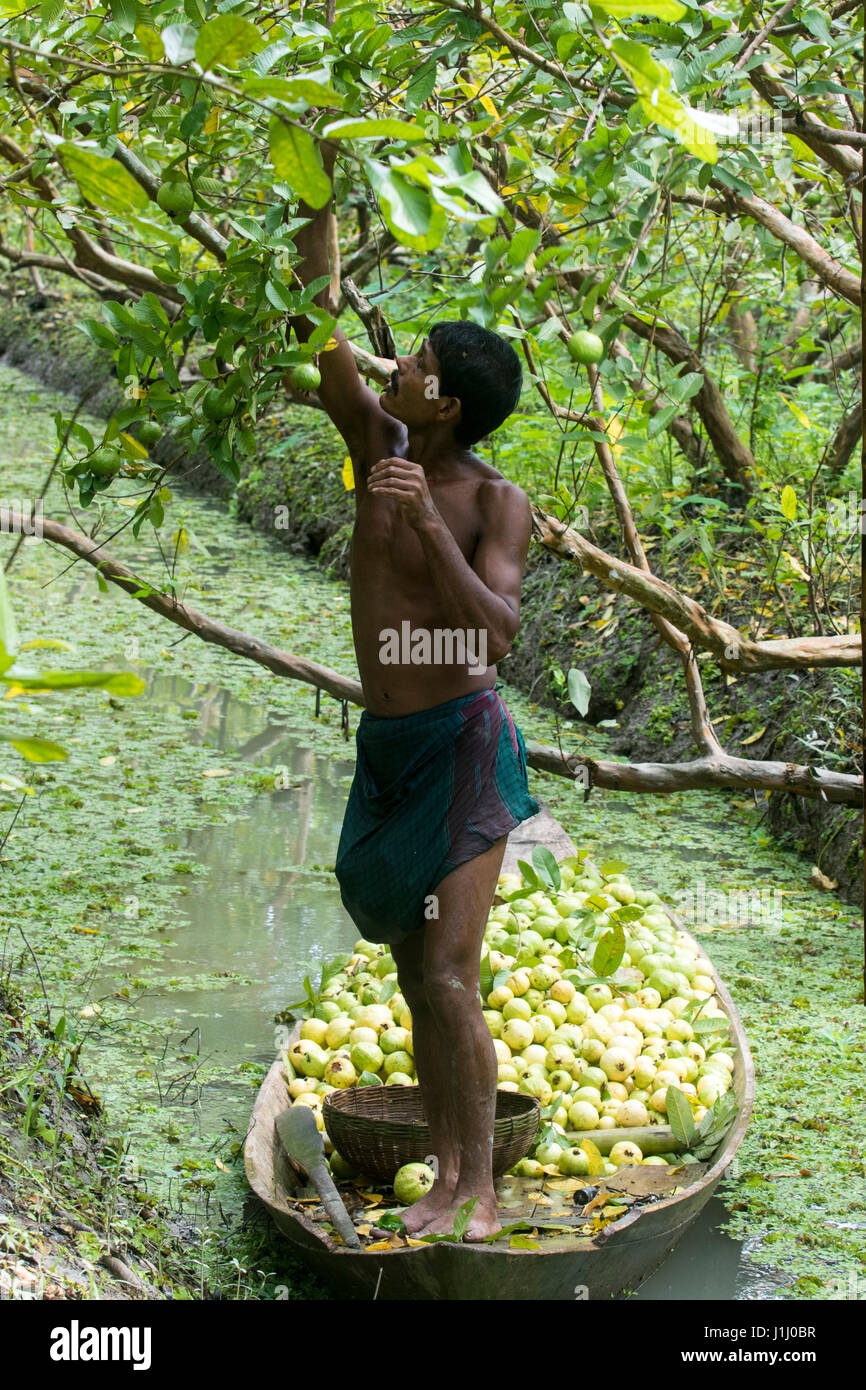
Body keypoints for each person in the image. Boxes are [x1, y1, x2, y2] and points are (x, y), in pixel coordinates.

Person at [288, 142, 538, 1240]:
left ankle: (474, 1192)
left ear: (448, 409)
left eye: (417, 364)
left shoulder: (495, 499)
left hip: (463, 743)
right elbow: (317, 325)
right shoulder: (375, 434)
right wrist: (313, 166)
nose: (395, 370)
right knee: (406, 970)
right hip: (387, 751)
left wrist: (425, 518)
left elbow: (496, 628)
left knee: (445, 972)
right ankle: (443, 1170)